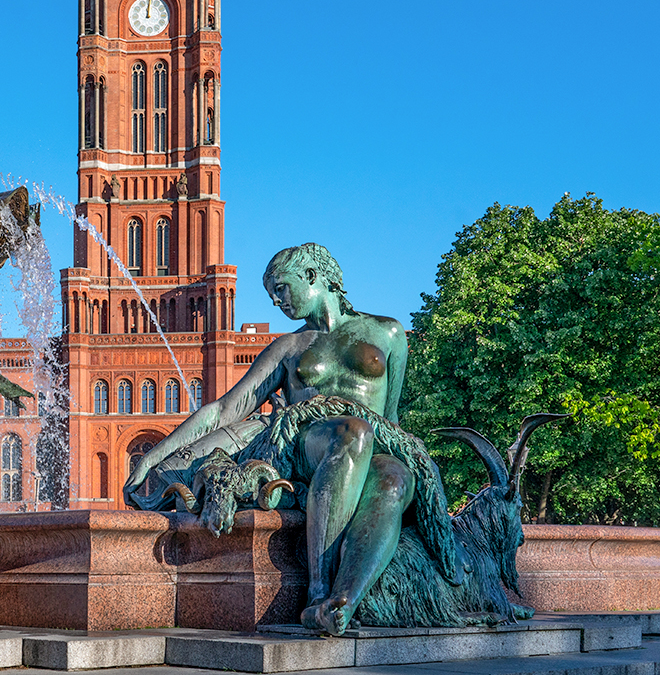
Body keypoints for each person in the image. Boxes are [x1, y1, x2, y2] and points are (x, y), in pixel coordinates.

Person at [124, 243, 454, 635]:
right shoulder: (289, 347)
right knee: (353, 432)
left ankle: (342, 602)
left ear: (312, 276)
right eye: (271, 294)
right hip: (310, 441)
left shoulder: (389, 333)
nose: (276, 300)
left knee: (395, 478)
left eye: (281, 288)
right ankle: (317, 589)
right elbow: (225, 409)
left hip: (375, 439)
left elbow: (391, 416)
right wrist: (153, 455)